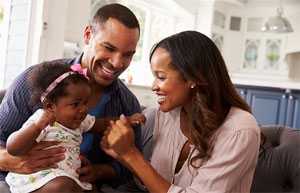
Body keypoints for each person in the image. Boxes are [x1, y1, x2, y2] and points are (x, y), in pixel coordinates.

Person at [0, 3, 141, 192]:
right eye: (108, 47)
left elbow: (132, 169)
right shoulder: (36, 81)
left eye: (127, 55)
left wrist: (99, 171)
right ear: (88, 35)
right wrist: (12, 161)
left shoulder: (127, 104)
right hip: (17, 183)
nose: (117, 63)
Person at [101, 31, 261, 193]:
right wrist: (121, 154)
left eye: (161, 77)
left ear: (193, 77)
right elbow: (150, 184)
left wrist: (131, 154)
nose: (154, 86)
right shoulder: (159, 116)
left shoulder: (240, 130)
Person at [5, 61, 145, 193]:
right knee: (62, 185)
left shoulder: (81, 121)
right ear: (50, 106)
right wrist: (36, 127)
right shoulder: (41, 120)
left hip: (70, 175)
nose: (83, 109)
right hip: (41, 178)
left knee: (92, 189)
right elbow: (13, 148)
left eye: (85, 103)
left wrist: (127, 119)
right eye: (76, 104)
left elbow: (102, 123)